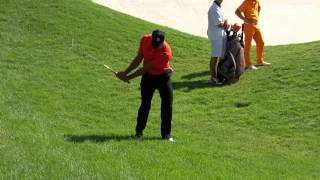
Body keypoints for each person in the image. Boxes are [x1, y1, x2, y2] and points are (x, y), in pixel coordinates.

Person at [116, 29, 174, 142]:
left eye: (158, 45)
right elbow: (138, 58)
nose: (155, 46)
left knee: (167, 105)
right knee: (145, 104)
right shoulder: (145, 39)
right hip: (148, 78)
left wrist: (128, 77)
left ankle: (166, 135)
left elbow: (145, 68)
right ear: (151, 39)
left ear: (163, 41)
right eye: (154, 43)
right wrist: (125, 72)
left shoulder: (166, 53)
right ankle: (138, 132)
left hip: (163, 76)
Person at [235, 0, 271, 70]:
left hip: (256, 25)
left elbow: (259, 8)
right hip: (248, 26)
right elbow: (237, 12)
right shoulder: (246, 2)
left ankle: (259, 61)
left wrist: (256, 17)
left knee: (261, 42)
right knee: (248, 45)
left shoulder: (257, 1)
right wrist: (245, 19)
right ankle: (248, 64)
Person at [207, 0, 230, 85]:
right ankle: (213, 78)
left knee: (219, 56)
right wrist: (226, 23)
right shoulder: (213, 9)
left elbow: (224, 23)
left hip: (220, 35)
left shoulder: (219, 7)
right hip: (216, 36)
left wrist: (226, 24)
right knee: (215, 56)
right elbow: (222, 24)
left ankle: (219, 75)